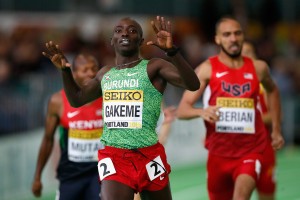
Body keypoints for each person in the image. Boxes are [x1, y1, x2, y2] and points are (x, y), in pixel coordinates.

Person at [42, 16, 200, 200]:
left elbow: (193, 84)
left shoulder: (154, 67)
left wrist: (172, 52)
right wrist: (65, 71)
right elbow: (77, 100)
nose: (125, 32)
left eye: (132, 30)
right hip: (114, 156)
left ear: (141, 41)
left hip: (149, 155)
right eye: (118, 30)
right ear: (112, 41)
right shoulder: (105, 74)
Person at [177, 16, 284, 200]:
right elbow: (182, 110)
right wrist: (201, 111)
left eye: (237, 33)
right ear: (217, 39)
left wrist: (276, 129)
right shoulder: (207, 69)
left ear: (243, 36)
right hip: (218, 155)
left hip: (251, 151)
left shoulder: (259, 68)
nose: (233, 38)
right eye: (227, 34)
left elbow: (273, 91)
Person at [32, 54, 103, 200]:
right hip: (71, 174)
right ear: (75, 73)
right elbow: (48, 140)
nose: (91, 73)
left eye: (94, 69)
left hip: (100, 172)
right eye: (85, 70)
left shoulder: (108, 97)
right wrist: (37, 177)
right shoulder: (58, 101)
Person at [242, 41, 277, 200]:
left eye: (249, 52)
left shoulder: (264, 84)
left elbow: (274, 114)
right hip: (239, 149)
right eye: (242, 53)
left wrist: (249, 118)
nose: (245, 56)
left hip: (264, 148)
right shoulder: (227, 85)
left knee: (267, 193)